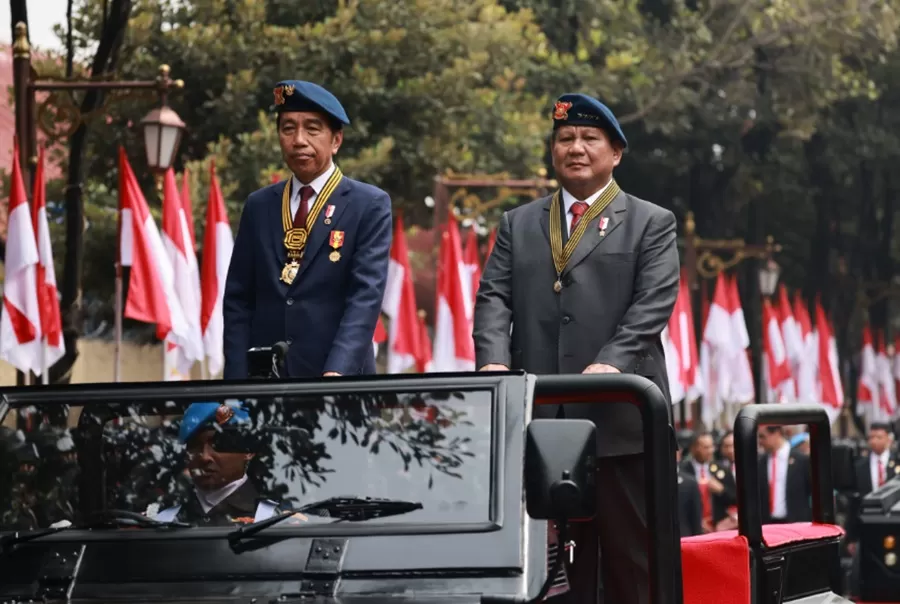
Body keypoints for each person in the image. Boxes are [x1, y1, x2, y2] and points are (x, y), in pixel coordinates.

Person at [473, 92, 680, 604]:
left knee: (636, 565)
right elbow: (494, 297)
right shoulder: (518, 224)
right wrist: (493, 360)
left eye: (590, 138)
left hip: (620, 425)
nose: (576, 148)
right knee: (554, 576)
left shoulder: (650, 222)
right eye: (565, 138)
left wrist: (610, 362)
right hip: (540, 423)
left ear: (616, 153)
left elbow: (652, 306)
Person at [223, 80, 392, 379]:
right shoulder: (259, 206)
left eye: (312, 129)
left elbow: (365, 299)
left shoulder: (369, 205)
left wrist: (336, 374)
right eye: (288, 129)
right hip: (266, 390)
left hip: (338, 386)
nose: (299, 140)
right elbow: (238, 301)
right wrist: (237, 385)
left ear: (336, 140)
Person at [155, 402, 281, 526]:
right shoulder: (164, 518)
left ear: (248, 450)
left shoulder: (273, 519)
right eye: (194, 446)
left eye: (219, 444)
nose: (205, 457)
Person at [680, 431, 736, 533]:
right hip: (693, 528)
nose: (710, 451)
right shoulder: (683, 471)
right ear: (693, 448)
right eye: (706, 448)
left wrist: (722, 490)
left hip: (719, 528)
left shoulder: (722, 470)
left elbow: (735, 498)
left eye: (711, 447)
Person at [757, 426, 812, 524]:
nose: (760, 441)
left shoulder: (801, 460)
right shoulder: (761, 462)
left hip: (797, 523)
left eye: (762, 437)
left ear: (777, 433)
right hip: (768, 524)